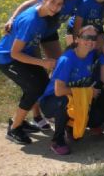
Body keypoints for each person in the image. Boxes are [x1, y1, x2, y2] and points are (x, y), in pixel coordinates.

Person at [0, 0, 65, 144]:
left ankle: (17, 121)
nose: (55, 6)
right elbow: (15, 53)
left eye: (59, 4)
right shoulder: (32, 21)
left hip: (21, 57)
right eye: (52, 2)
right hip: (7, 59)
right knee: (34, 88)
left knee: (41, 85)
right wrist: (43, 62)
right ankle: (14, 129)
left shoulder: (43, 16)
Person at [39, 25, 99, 155]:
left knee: (93, 113)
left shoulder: (91, 54)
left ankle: (70, 127)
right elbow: (59, 91)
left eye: (93, 38)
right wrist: (87, 92)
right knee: (64, 101)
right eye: (86, 37)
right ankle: (57, 141)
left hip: (72, 97)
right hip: (52, 102)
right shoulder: (67, 60)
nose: (90, 41)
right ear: (77, 39)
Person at [4, 0, 88, 57]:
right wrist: (12, 18)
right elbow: (29, 3)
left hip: (50, 31)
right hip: (35, 30)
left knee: (57, 62)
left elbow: (78, 19)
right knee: (35, 62)